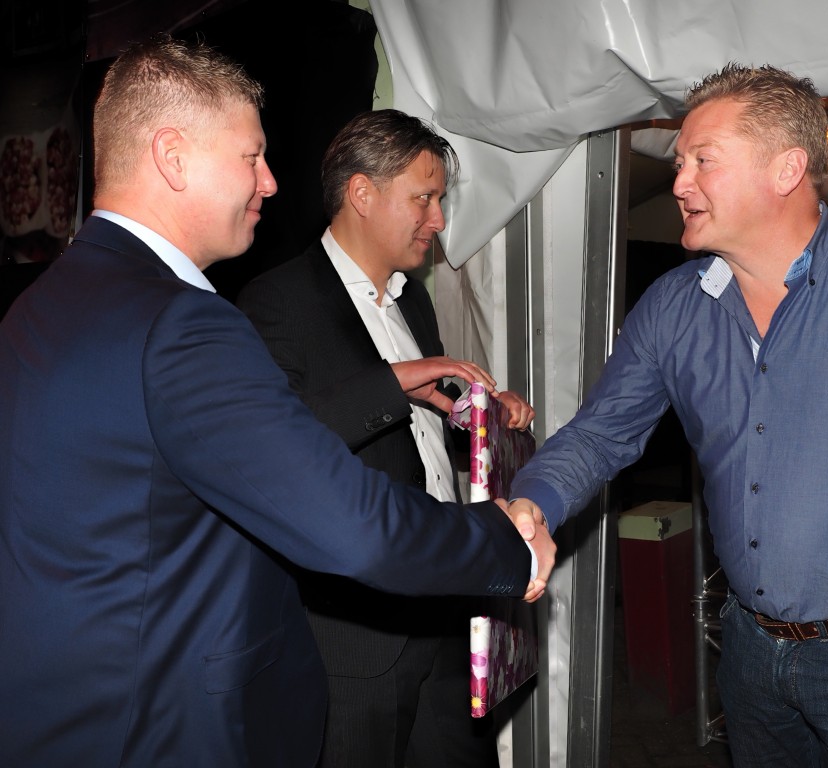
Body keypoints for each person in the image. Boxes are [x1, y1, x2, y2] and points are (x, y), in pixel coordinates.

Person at [0, 36, 554, 768]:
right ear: (173, 157)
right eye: (251, 157)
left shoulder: (38, 306)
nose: (269, 182)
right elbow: (350, 523)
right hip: (167, 727)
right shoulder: (182, 323)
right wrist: (503, 542)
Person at [507, 62, 828, 767]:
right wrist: (535, 501)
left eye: (703, 160)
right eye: (680, 162)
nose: (680, 182)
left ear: (787, 169)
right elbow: (602, 433)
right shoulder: (672, 306)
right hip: (747, 645)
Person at [235, 109, 534, 768]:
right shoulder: (276, 300)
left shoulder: (411, 299)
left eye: (440, 201)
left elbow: (423, 426)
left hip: (444, 603)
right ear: (362, 193)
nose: (439, 220)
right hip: (356, 637)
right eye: (423, 199)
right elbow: (269, 453)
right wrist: (391, 383)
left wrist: (480, 417)